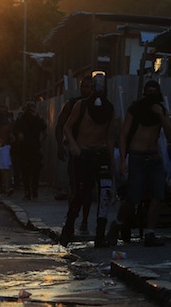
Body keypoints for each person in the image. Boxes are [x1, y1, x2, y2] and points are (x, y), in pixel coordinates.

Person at [107, 80, 171, 247]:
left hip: (154, 158)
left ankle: (150, 233)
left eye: (154, 92)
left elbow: (170, 136)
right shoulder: (135, 109)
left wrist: (160, 115)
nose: (151, 95)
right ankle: (117, 224)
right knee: (133, 198)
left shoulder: (161, 110)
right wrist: (123, 160)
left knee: (158, 196)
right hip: (137, 157)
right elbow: (123, 135)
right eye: (148, 91)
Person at [59, 71, 115, 247]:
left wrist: (114, 162)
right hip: (83, 154)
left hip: (100, 153)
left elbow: (110, 137)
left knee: (105, 191)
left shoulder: (109, 108)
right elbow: (67, 127)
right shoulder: (81, 105)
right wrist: (74, 146)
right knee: (81, 193)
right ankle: (68, 229)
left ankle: (100, 233)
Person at [55, 75, 93, 234]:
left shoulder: (99, 105)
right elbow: (61, 125)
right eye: (84, 87)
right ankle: (71, 219)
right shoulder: (72, 105)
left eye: (89, 87)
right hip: (75, 150)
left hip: (93, 151)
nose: (87, 90)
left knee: (89, 189)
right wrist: (60, 146)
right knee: (75, 186)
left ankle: (84, 220)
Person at [14, 101, 47, 200]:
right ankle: (29, 191)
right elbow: (16, 132)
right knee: (26, 171)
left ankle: (33, 191)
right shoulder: (22, 119)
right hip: (25, 149)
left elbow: (45, 132)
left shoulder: (38, 119)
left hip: (33, 148)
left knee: (33, 171)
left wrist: (39, 142)